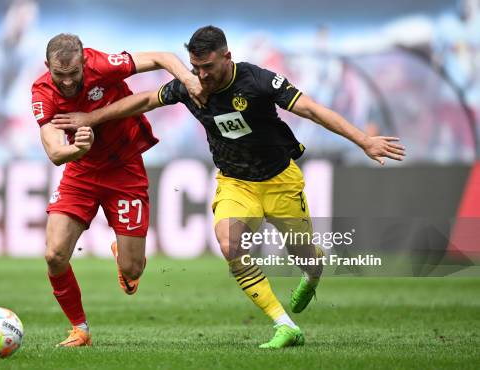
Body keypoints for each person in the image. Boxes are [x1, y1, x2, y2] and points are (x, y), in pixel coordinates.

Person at [51, 26, 406, 349]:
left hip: (281, 180)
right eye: (195, 67)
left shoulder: (259, 81)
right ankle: (284, 325)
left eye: (207, 67)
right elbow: (143, 101)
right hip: (235, 182)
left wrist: (363, 140)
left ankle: (313, 275)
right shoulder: (191, 87)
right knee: (229, 243)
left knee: (305, 258)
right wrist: (90, 118)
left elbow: (311, 110)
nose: (201, 75)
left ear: (227, 57)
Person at [31, 33, 203, 347]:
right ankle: (79, 329)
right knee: (54, 254)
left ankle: (124, 258)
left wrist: (189, 80)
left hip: (124, 168)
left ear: (83, 62)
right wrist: (78, 151)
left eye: (73, 74)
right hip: (80, 173)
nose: (67, 82)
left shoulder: (102, 65)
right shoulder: (42, 92)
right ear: (47, 67)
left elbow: (161, 57)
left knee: (132, 269)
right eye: (60, 75)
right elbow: (56, 152)